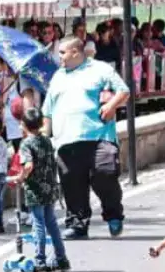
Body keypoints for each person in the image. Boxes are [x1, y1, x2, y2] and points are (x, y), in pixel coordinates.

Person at [42, 36, 131, 240]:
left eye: (63, 53)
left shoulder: (100, 69)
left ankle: (113, 213)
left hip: (99, 135)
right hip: (66, 139)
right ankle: (77, 224)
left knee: (105, 173)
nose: (60, 57)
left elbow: (123, 90)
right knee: (72, 183)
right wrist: (43, 140)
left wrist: (110, 106)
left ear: (75, 52)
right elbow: (47, 111)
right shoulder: (58, 77)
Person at [9, 107, 69, 272]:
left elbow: (28, 165)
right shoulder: (46, 140)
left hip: (35, 190)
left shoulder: (26, 144)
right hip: (49, 188)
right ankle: (61, 258)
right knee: (51, 224)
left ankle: (40, 260)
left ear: (24, 125)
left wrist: (20, 177)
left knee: (39, 224)